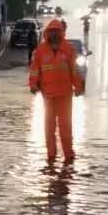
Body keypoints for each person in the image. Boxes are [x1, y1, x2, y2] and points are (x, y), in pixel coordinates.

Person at [29, 19, 85, 165]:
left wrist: (78, 86)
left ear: (61, 33)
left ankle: (68, 154)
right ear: (48, 33)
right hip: (47, 94)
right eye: (52, 32)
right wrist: (33, 84)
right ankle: (51, 154)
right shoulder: (41, 50)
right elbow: (35, 70)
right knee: (49, 126)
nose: (54, 35)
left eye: (56, 32)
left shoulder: (68, 49)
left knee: (65, 126)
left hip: (65, 94)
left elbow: (74, 70)